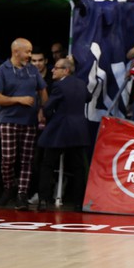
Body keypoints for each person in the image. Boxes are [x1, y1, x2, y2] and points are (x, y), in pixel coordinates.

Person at [0, 38, 48, 210]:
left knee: (27, 160)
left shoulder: (32, 70)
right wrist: (19, 100)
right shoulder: (2, 70)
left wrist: (42, 109)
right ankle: (9, 187)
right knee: (8, 159)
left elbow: (43, 91)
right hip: (9, 120)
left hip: (29, 122)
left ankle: (22, 194)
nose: (30, 55)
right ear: (16, 51)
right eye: (28, 51)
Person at [35, 57, 91, 211]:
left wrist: (51, 116)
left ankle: (43, 200)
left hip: (60, 131)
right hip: (79, 130)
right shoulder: (81, 83)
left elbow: (48, 108)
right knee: (79, 168)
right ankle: (79, 203)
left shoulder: (58, 86)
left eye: (57, 67)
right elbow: (89, 97)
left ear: (66, 70)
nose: (53, 70)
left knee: (47, 164)